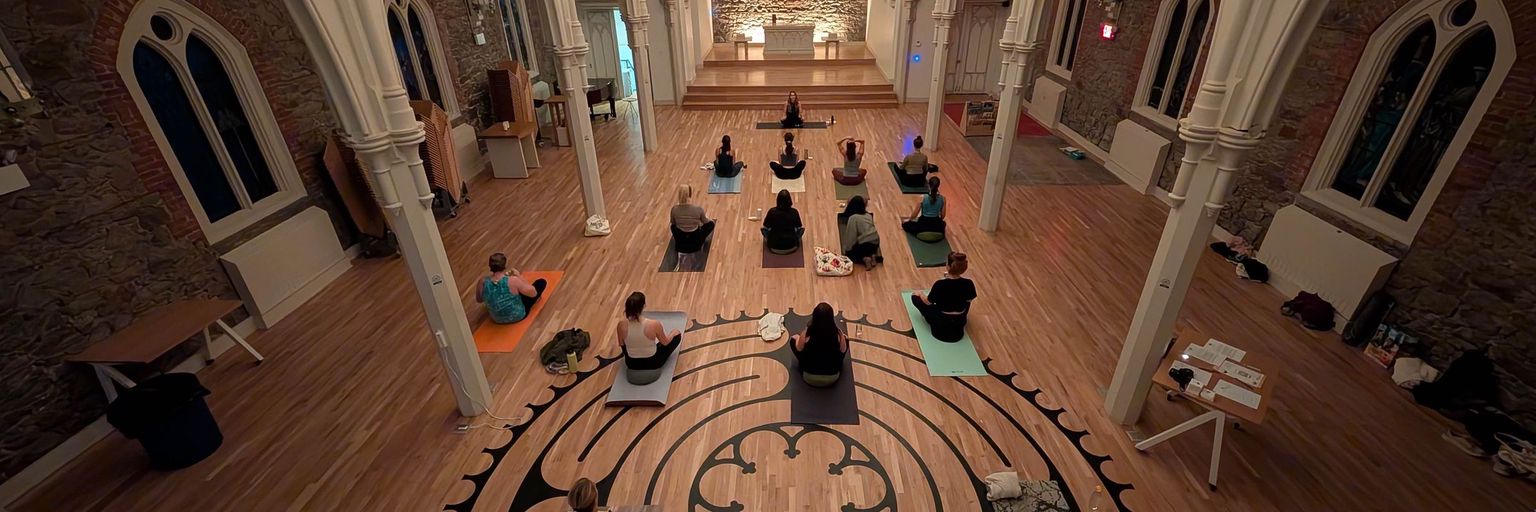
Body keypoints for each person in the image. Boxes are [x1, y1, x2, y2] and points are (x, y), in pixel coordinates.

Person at [911, 252, 976, 342]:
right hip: (959, 321)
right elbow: (969, 299)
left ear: (948, 266)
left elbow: (928, 302)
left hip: (940, 322)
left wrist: (920, 294)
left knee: (915, 297)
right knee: (967, 302)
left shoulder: (940, 284)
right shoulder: (969, 283)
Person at [614, 292, 683, 371]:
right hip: (653, 363)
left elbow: (622, 344)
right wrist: (673, 333)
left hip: (631, 364)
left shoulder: (621, 325)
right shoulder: (654, 324)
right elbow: (665, 342)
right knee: (677, 335)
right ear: (643, 306)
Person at [475, 253, 548, 324]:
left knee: (515, 290)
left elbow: (479, 300)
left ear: (490, 266)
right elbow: (533, 293)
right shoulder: (513, 280)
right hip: (518, 315)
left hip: (497, 319)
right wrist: (519, 276)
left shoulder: (482, 281)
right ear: (504, 265)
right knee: (541, 282)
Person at [791, 303, 848, 387]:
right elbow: (843, 350)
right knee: (845, 341)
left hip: (808, 377)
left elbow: (799, 348)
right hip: (833, 377)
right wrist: (843, 338)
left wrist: (796, 338)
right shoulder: (837, 333)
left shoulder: (808, 333)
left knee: (793, 340)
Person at [839, 195, 881, 269]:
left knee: (850, 255)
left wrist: (847, 249)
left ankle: (865, 259)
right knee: (868, 249)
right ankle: (872, 255)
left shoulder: (853, 218)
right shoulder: (868, 215)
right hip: (876, 242)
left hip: (864, 244)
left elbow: (851, 236)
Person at [670, 184, 715, 253]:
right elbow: (706, 222)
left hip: (681, 244)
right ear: (690, 195)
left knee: (672, 227)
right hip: (695, 244)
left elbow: (673, 223)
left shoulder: (674, 209)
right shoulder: (698, 209)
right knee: (711, 224)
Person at [762, 189, 804, 254]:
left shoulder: (772, 212)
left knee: (763, 229)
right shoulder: (794, 212)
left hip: (774, 246)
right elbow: (799, 226)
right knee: (801, 229)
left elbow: (766, 226)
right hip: (792, 245)